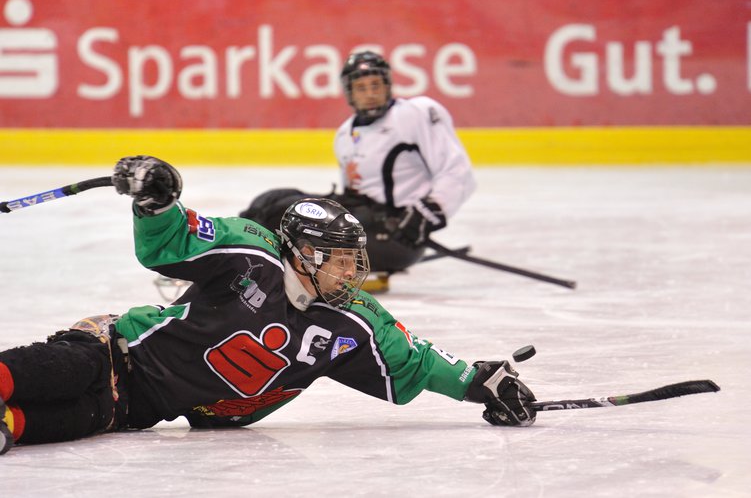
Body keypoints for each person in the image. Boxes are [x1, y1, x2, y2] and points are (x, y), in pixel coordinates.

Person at [0, 155, 533, 455]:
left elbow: (414, 359)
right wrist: (157, 201)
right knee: (59, 373)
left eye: (354, 261)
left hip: (137, 408)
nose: (351, 273)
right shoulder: (251, 252)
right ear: (302, 253)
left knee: (53, 422)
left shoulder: (354, 321)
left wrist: (478, 382)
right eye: (339, 260)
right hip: (114, 350)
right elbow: (173, 241)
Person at [238, 50, 477, 292]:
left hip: (397, 236)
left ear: (388, 85)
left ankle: (249, 263)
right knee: (273, 203)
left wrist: (425, 215)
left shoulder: (414, 114)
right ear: (350, 92)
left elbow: (457, 172)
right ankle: (247, 254)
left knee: (290, 220)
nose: (370, 94)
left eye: (376, 85)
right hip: (365, 222)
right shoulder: (345, 133)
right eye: (361, 88)